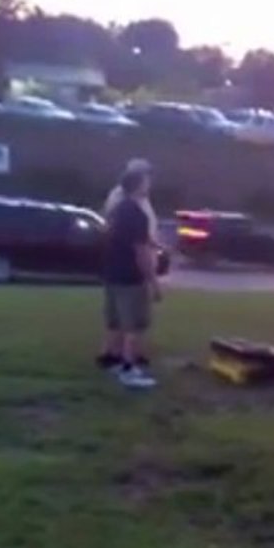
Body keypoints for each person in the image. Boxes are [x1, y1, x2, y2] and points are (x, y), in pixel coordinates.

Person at [95, 164, 163, 389]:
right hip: (130, 278)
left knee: (115, 322)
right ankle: (128, 369)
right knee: (133, 326)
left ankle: (111, 360)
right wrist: (154, 283)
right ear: (138, 185)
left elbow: (117, 236)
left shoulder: (118, 209)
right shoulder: (137, 214)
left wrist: (158, 245)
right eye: (146, 180)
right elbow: (141, 251)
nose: (149, 184)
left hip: (112, 274)